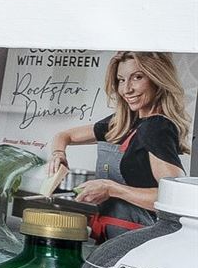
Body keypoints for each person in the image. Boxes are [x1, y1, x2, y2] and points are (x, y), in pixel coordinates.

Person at [47, 51, 189, 216]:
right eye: (121, 80)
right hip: (114, 230)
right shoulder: (125, 123)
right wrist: (59, 154)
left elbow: (172, 197)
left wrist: (112, 189)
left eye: (137, 77)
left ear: (157, 79)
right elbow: (64, 136)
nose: (127, 89)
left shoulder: (156, 127)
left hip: (141, 234)